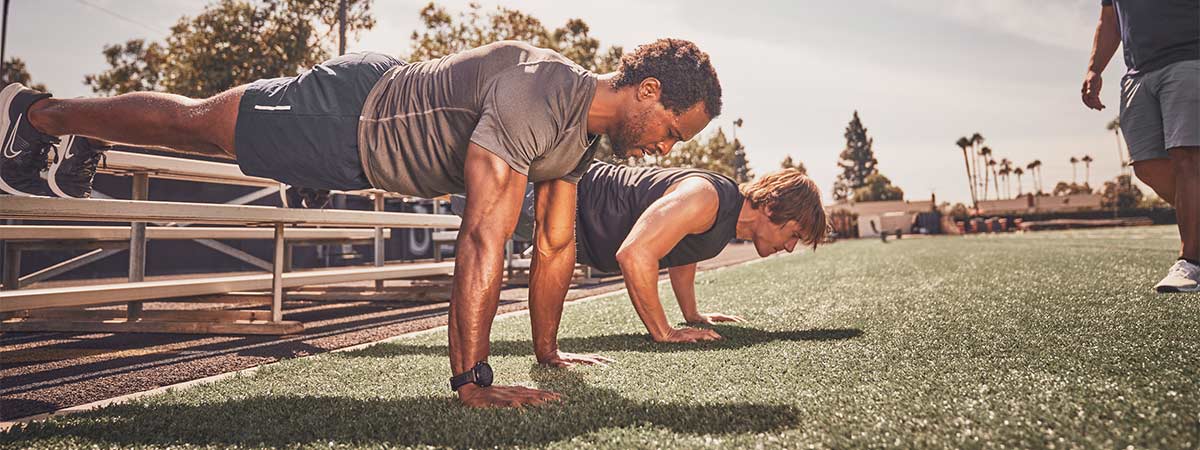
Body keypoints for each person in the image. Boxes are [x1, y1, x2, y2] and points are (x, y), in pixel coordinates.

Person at [0, 38, 723, 407]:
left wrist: (549, 352)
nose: (665, 147)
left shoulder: (577, 139)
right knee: (198, 127)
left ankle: (76, 136)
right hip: (348, 114)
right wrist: (472, 379)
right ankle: (32, 113)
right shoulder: (540, 94)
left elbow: (556, 243)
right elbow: (483, 236)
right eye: (670, 129)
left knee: (201, 133)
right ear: (648, 89)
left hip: (367, 153)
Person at [527, 162, 826, 361]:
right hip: (561, 192)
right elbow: (634, 254)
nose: (789, 248)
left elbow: (683, 251)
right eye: (793, 235)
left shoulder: (725, 220)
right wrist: (664, 331)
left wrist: (692, 314)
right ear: (772, 206)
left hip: (578, 217)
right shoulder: (706, 197)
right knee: (483, 230)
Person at [1081, 0, 1199, 292]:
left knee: (1187, 156)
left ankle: (1191, 262)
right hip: (1138, 73)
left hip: (1190, 59)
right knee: (1147, 166)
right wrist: (1094, 69)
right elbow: (1110, 18)